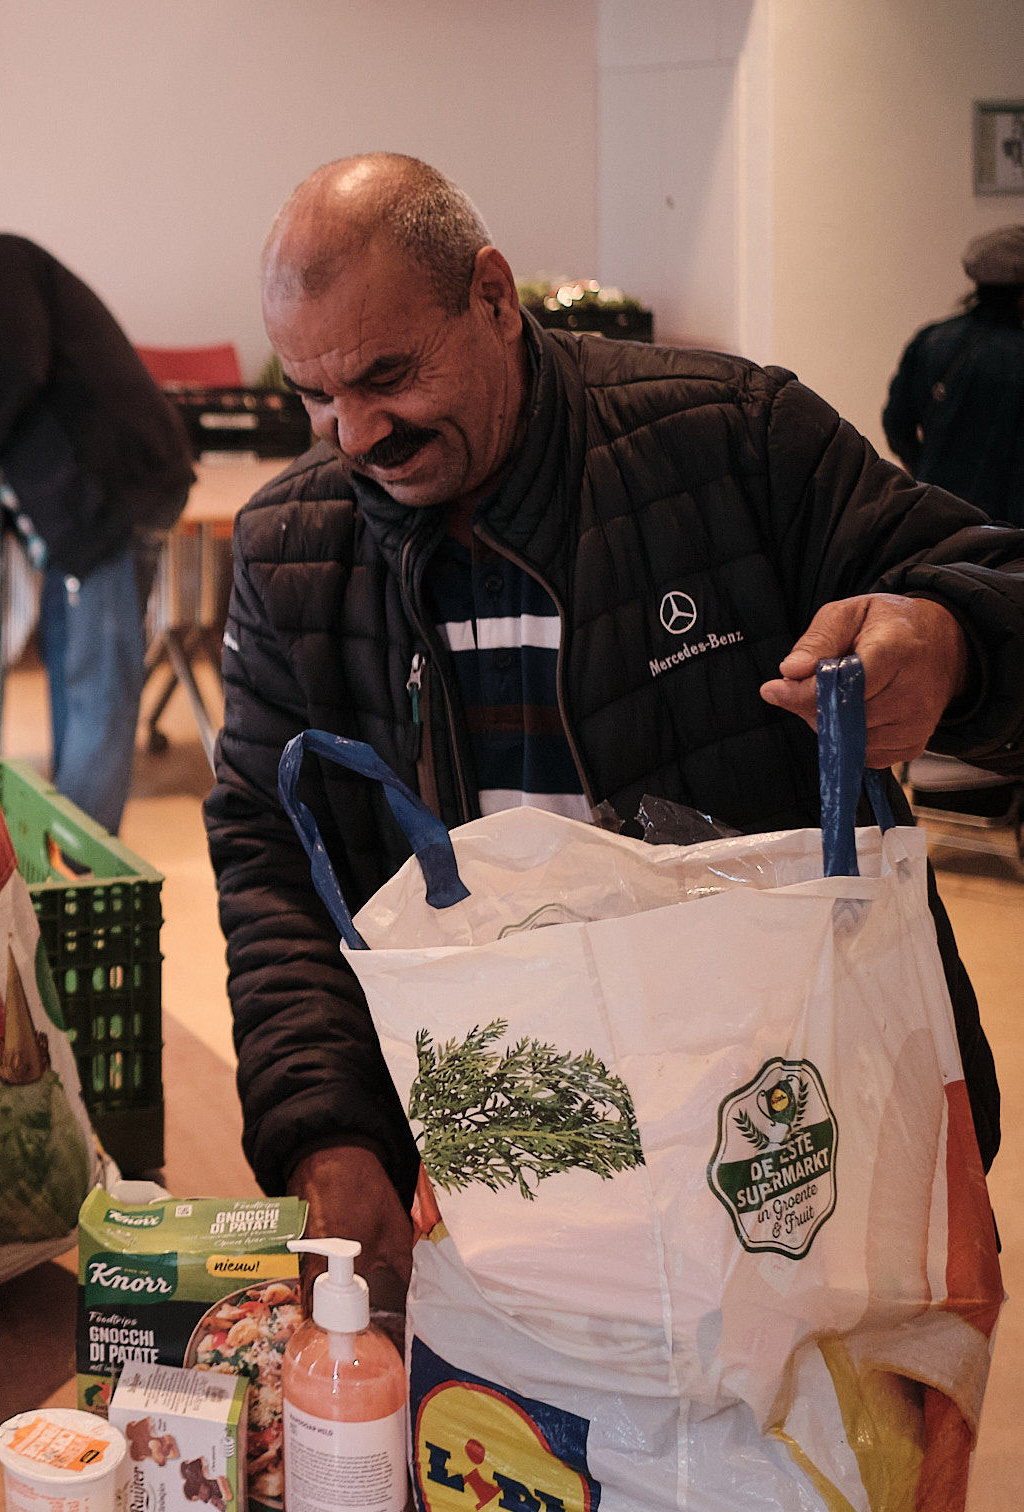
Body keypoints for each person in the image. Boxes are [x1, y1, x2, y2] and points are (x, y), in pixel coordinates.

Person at [208, 154, 1024, 1319]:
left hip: (795, 1116)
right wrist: (323, 1127)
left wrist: (948, 641)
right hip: (509, 1155)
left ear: (494, 297)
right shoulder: (291, 546)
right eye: (314, 396)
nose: (356, 435)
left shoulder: (731, 436)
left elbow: (990, 579)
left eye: (388, 376)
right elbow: (274, 860)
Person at [0, 224, 194, 833]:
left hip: (113, 493)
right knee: (70, 657)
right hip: (92, 501)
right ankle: (66, 826)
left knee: (98, 676)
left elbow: (13, 373)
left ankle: (82, 853)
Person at [883, 224, 1024, 525]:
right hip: (1002, 529)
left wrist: (923, 470)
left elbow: (896, 424)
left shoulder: (931, 340)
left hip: (931, 517)